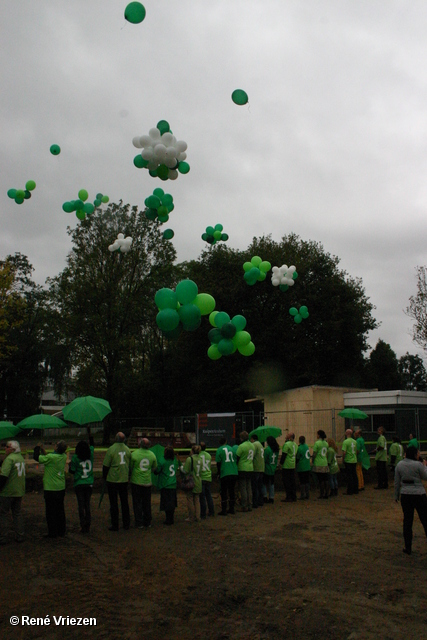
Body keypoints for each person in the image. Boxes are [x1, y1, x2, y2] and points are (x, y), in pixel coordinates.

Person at [394, 446, 427, 555]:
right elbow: (425, 476)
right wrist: (425, 466)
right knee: (424, 519)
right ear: (414, 454)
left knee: (407, 521)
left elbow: (397, 482)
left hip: (405, 494)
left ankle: (408, 547)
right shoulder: (418, 465)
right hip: (419, 494)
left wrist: (396, 496)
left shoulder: (399, 465)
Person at [35, 440, 68, 538]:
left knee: (50, 511)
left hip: (50, 488)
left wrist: (37, 447)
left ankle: (52, 532)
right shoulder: (63, 456)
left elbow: (37, 458)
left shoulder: (51, 457)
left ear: (57, 448)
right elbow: (48, 458)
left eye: (56, 444)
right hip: (60, 487)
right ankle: (61, 530)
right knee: (60, 509)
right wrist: (43, 450)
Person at [103, 432, 131, 531]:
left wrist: (104, 477)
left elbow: (106, 465)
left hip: (113, 479)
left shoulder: (111, 449)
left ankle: (115, 524)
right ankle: (126, 523)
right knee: (124, 502)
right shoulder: (127, 450)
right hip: (123, 479)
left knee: (113, 503)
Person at [0, 440, 25, 545]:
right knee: (17, 513)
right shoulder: (20, 458)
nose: (5, 449)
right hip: (19, 491)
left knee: (3, 514)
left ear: (12, 449)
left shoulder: (9, 459)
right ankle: (20, 535)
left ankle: (3, 537)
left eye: (6, 447)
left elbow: (3, 476)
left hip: (7, 491)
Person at [130, 438, 157, 529]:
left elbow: (130, 467)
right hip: (147, 482)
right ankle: (147, 521)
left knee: (137, 502)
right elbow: (154, 468)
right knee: (147, 503)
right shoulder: (152, 455)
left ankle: (139, 522)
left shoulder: (134, 454)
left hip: (136, 481)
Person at [69, 438, 94, 533]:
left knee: (81, 505)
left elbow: (72, 471)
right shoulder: (90, 454)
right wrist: (89, 434)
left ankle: (82, 524)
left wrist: (70, 466)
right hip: (89, 482)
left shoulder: (75, 458)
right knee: (87, 504)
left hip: (79, 483)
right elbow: (92, 445)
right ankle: (88, 524)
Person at [154, 446, 179, 525]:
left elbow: (157, 471)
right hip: (173, 484)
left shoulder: (162, 460)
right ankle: (171, 518)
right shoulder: (175, 460)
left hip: (165, 484)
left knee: (166, 502)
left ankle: (168, 519)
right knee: (172, 503)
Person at [215, 437, 238, 515]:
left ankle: (224, 509)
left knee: (224, 491)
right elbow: (236, 458)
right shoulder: (232, 449)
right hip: (234, 471)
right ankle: (232, 508)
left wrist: (218, 473)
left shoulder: (219, 450)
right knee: (232, 491)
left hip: (225, 472)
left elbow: (218, 463)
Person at [182, 444, 202, 522]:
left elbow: (185, 471)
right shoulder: (200, 459)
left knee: (190, 499)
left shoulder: (189, 459)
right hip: (198, 481)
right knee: (197, 500)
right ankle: (198, 516)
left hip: (191, 482)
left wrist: (181, 468)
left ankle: (191, 517)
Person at [236, 431, 255, 512]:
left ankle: (244, 505)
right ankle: (250, 504)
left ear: (241, 438)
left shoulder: (241, 446)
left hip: (242, 468)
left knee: (243, 488)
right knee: (249, 487)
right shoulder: (252, 445)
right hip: (250, 467)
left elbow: (237, 457)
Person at [280, 432, 297, 502]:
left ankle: (288, 496)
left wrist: (281, 463)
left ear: (289, 438)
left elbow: (284, 455)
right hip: (292, 464)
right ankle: (293, 496)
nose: (286, 436)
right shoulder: (295, 444)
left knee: (286, 482)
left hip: (286, 465)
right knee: (292, 481)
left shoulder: (286, 444)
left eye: (287, 435)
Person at [312, 430, 329, 499]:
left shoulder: (317, 443)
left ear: (318, 435)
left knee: (320, 480)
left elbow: (314, 454)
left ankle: (321, 494)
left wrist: (313, 460)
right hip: (325, 462)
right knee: (326, 479)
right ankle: (326, 493)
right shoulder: (326, 443)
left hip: (318, 463)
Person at [199, 442, 215, 518]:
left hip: (201, 477)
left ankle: (203, 513)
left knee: (202, 497)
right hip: (208, 476)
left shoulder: (198, 455)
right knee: (209, 495)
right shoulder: (208, 455)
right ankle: (211, 511)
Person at [341, 429, 358, 496]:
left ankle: (350, 490)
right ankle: (355, 489)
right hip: (354, 460)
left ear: (347, 433)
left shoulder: (345, 442)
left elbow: (344, 452)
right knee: (354, 475)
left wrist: (343, 459)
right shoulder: (355, 441)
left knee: (349, 476)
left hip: (348, 460)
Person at [263, 436, 279, 503]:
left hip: (267, 468)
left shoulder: (267, 449)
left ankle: (264, 496)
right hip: (273, 468)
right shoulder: (276, 449)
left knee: (264, 483)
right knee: (271, 483)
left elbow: (264, 459)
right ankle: (271, 497)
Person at [250, 434, 265, 508]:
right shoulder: (261, 445)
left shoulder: (255, 445)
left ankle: (255, 502)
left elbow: (252, 455)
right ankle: (260, 501)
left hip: (256, 467)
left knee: (255, 486)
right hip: (261, 467)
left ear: (252, 439)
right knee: (260, 485)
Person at [296, 435, 311, 500]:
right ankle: (307, 494)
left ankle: (302, 494)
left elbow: (298, 457)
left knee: (302, 481)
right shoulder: (306, 446)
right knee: (307, 481)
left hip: (301, 467)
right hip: (307, 466)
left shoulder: (299, 448)